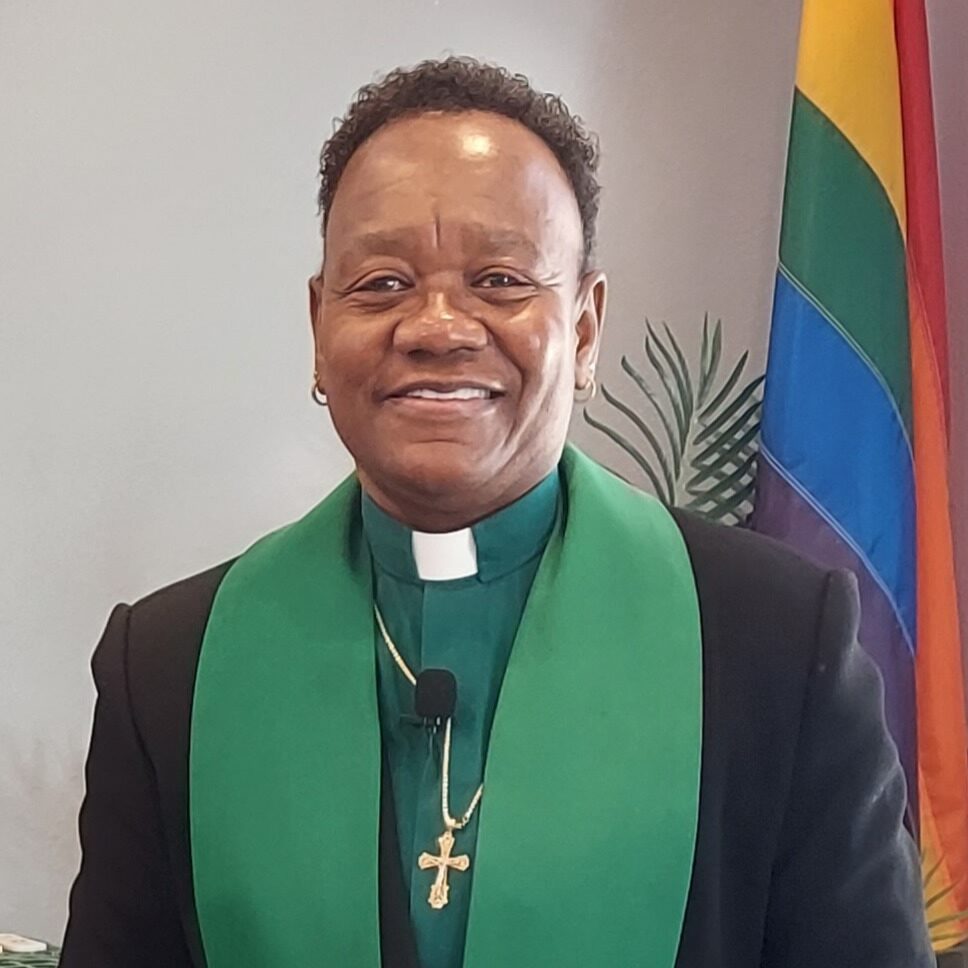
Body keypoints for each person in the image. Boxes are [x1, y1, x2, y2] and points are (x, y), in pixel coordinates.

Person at [60, 57, 933, 968]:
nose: (438, 326)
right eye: (383, 284)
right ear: (319, 329)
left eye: (503, 281)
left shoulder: (776, 644)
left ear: (585, 330)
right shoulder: (170, 666)